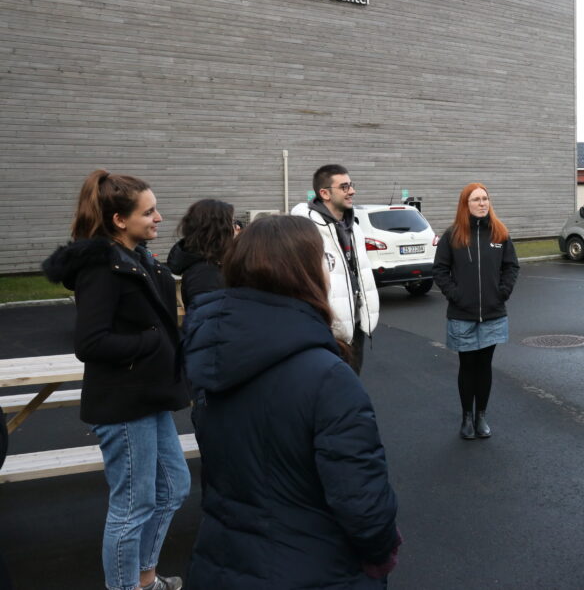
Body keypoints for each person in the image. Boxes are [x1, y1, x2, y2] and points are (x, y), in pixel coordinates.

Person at [182, 215, 401, 588]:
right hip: (314, 566)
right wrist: (381, 555)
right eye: (324, 260)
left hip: (223, 560)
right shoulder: (327, 377)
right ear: (302, 272)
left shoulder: (213, 356)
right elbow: (362, 503)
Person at [42, 170, 189, 590]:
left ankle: (144, 579)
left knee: (173, 487)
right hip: (123, 405)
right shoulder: (102, 267)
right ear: (119, 220)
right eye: (149, 211)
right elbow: (90, 343)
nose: (159, 217)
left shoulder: (136, 257)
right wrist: (151, 341)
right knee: (132, 506)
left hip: (148, 397)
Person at [432, 183, 519, 440]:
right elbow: (439, 270)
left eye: (485, 199)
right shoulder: (453, 236)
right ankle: (466, 418)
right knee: (467, 366)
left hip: (493, 313)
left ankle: (481, 415)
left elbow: (511, 267)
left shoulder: (499, 234)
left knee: (485, 366)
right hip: (462, 315)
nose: (482, 204)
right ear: (465, 204)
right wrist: (456, 295)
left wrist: (502, 292)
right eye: (476, 200)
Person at [292, 164, 379, 375]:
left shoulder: (354, 228)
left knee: (352, 385)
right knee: (327, 392)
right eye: (345, 186)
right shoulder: (306, 231)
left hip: (355, 327)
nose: (352, 191)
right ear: (325, 193)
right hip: (325, 330)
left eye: (351, 185)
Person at [167, 199, 236, 310]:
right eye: (232, 223)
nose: (236, 228)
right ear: (219, 230)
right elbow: (209, 319)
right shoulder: (204, 273)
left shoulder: (211, 264)